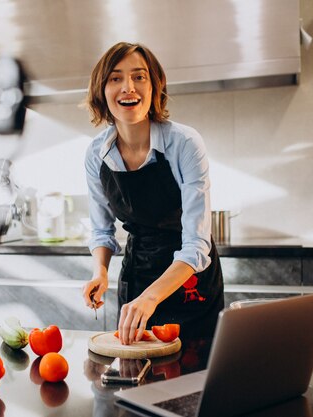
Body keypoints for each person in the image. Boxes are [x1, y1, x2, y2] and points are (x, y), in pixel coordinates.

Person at [81, 42, 224, 345]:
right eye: (115, 78)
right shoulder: (97, 153)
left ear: (155, 86)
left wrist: (152, 297)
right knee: (135, 379)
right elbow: (102, 230)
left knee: (194, 376)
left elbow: (197, 244)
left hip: (189, 282)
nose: (128, 87)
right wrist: (101, 272)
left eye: (139, 77)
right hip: (138, 274)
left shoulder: (184, 143)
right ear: (101, 90)